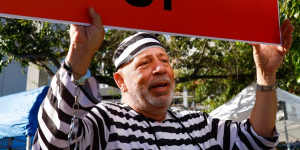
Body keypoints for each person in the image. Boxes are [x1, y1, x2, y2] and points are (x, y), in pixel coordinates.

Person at [32, 8, 294, 150]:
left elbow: (257, 141)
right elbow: (52, 145)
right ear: (120, 81)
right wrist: (77, 60)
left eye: (164, 60)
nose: (160, 69)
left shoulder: (197, 123)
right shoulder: (105, 121)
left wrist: (266, 74)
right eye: (145, 63)